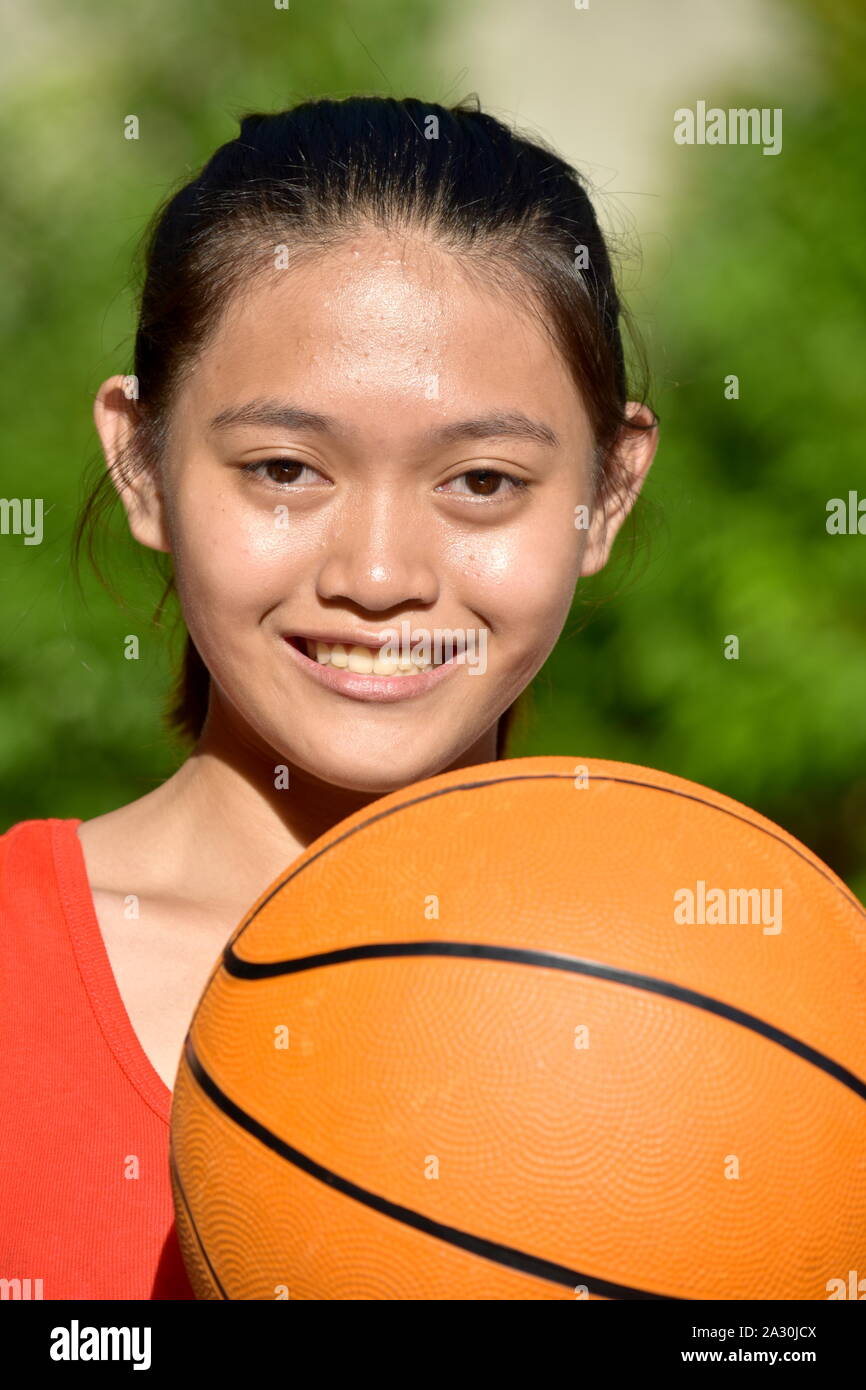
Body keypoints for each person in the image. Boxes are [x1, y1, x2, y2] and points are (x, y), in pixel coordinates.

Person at [0, 94, 659, 1300]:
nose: (375, 576)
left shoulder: (750, 998)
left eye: (479, 479)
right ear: (142, 462)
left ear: (606, 493)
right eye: (285, 469)